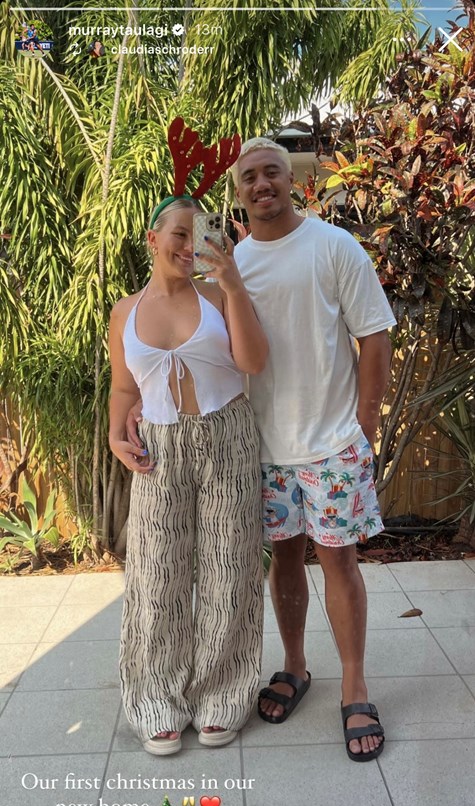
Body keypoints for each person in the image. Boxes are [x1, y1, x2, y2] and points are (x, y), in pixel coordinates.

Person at [127, 138, 395, 762]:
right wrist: (141, 401)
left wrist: (364, 422)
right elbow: (190, 345)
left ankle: (354, 688)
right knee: (285, 562)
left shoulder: (334, 246)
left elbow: (375, 336)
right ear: (238, 192)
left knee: (340, 565)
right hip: (262, 448)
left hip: (331, 442)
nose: (261, 184)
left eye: (272, 172)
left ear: (290, 180)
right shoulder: (229, 264)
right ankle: (295, 666)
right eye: (248, 177)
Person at [109, 195, 268, 755]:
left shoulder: (218, 296)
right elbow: (124, 387)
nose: (187, 244)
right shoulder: (125, 312)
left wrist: (233, 284)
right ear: (152, 239)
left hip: (227, 437)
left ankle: (222, 694)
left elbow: (253, 363)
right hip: (159, 446)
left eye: (198, 232)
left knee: (230, 567)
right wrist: (115, 436)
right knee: (156, 574)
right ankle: (156, 698)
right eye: (178, 233)